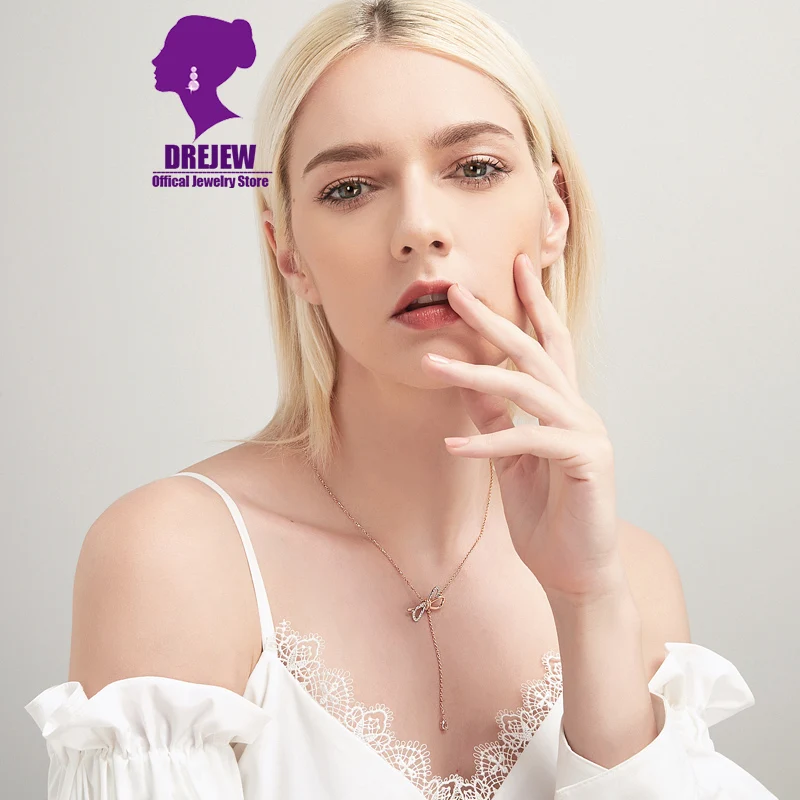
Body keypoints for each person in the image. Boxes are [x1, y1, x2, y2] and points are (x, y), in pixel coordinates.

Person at [24, 0, 779, 797]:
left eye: (475, 168)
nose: (419, 228)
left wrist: (586, 603)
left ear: (553, 215)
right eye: (350, 187)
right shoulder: (174, 560)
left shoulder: (632, 580)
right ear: (289, 253)